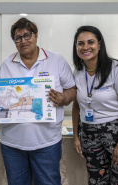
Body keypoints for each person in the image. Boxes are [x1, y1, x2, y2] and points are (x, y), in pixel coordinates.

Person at [0, 18, 76, 185]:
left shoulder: (56, 60)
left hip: (46, 141)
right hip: (12, 143)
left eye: (27, 35)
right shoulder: (6, 65)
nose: (23, 41)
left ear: (36, 35)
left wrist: (63, 98)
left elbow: (72, 90)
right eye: (18, 38)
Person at [72, 26, 118, 184]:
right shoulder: (77, 73)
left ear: (99, 44)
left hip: (114, 131)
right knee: (96, 180)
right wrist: (76, 137)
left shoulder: (115, 69)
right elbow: (77, 106)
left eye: (90, 42)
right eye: (80, 43)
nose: (85, 47)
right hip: (88, 133)